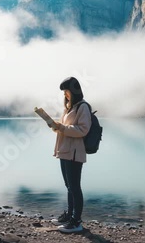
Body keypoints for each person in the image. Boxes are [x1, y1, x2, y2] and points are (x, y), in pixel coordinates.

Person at [49, 76, 92, 233]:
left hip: (74, 152)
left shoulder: (83, 107)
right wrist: (55, 126)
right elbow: (65, 128)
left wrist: (62, 128)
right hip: (65, 151)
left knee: (74, 187)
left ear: (74, 91)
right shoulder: (69, 107)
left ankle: (76, 222)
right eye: (64, 92)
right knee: (69, 186)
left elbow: (83, 130)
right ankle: (69, 216)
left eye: (67, 91)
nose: (65, 95)